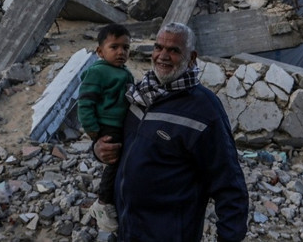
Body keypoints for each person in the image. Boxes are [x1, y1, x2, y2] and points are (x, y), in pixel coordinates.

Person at [93, 22, 249, 241]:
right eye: (158, 48)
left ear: (191, 58)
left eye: (173, 50)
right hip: (128, 230)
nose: (162, 56)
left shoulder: (204, 110)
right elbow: (115, 143)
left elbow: (230, 186)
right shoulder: (139, 94)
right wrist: (98, 149)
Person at [77, 23, 135, 233]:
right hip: (107, 127)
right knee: (112, 163)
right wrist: (92, 130)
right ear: (100, 51)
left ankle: (119, 199)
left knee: (124, 163)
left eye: (126, 48)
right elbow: (85, 103)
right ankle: (102, 204)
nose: (121, 52)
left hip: (123, 126)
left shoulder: (125, 72)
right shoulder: (97, 72)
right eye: (114, 47)